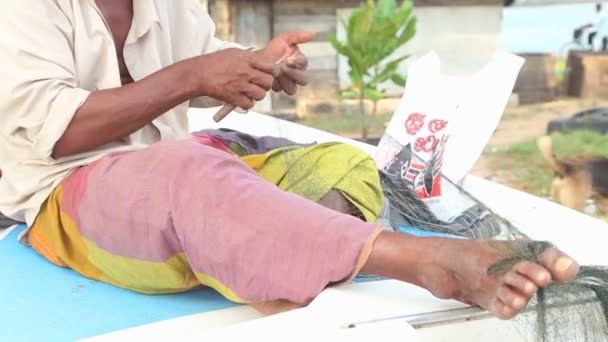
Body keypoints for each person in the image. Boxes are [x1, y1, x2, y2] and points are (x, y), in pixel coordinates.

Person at [0, 0, 579, 320]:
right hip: (67, 189)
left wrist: (258, 65)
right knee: (190, 177)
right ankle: (432, 262)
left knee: (341, 162)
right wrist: (194, 76)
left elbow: (206, 67)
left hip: (175, 171)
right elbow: (62, 129)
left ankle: (270, 248)